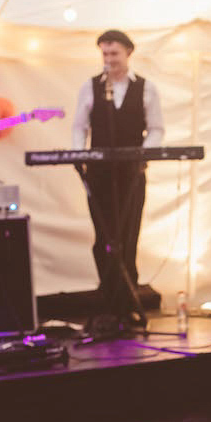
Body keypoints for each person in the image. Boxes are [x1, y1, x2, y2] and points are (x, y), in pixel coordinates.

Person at [71, 29, 165, 315]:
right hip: (99, 173)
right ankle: (108, 296)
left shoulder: (146, 88)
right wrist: (79, 154)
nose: (109, 59)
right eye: (105, 54)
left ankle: (127, 300)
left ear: (128, 54)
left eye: (114, 53)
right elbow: (79, 126)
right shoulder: (91, 87)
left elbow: (157, 128)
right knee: (104, 236)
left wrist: (142, 155)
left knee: (128, 234)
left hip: (132, 173)